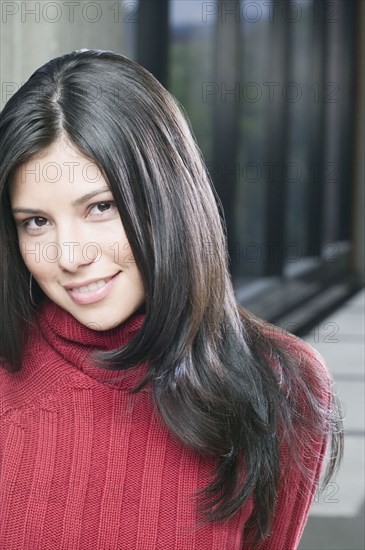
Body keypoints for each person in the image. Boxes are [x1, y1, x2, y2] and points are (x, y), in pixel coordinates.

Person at [0, 49, 343, 550]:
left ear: (168, 198)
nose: (68, 256)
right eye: (36, 221)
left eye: (100, 207)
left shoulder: (283, 382)